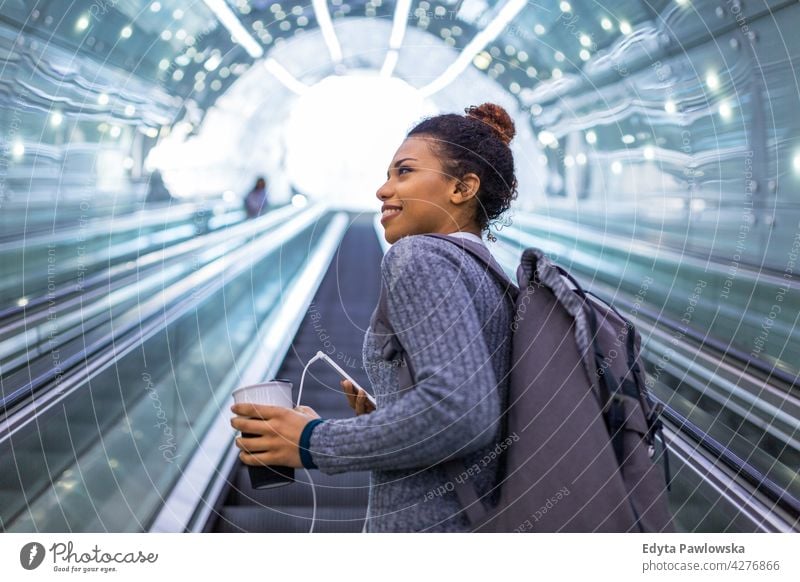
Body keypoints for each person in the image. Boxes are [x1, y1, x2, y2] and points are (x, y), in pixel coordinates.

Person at [230, 103, 519, 532]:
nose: (383, 190)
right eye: (387, 175)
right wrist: (389, 416)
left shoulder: (419, 256)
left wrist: (311, 441)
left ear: (462, 188)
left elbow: (461, 411)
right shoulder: (490, 274)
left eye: (404, 172)